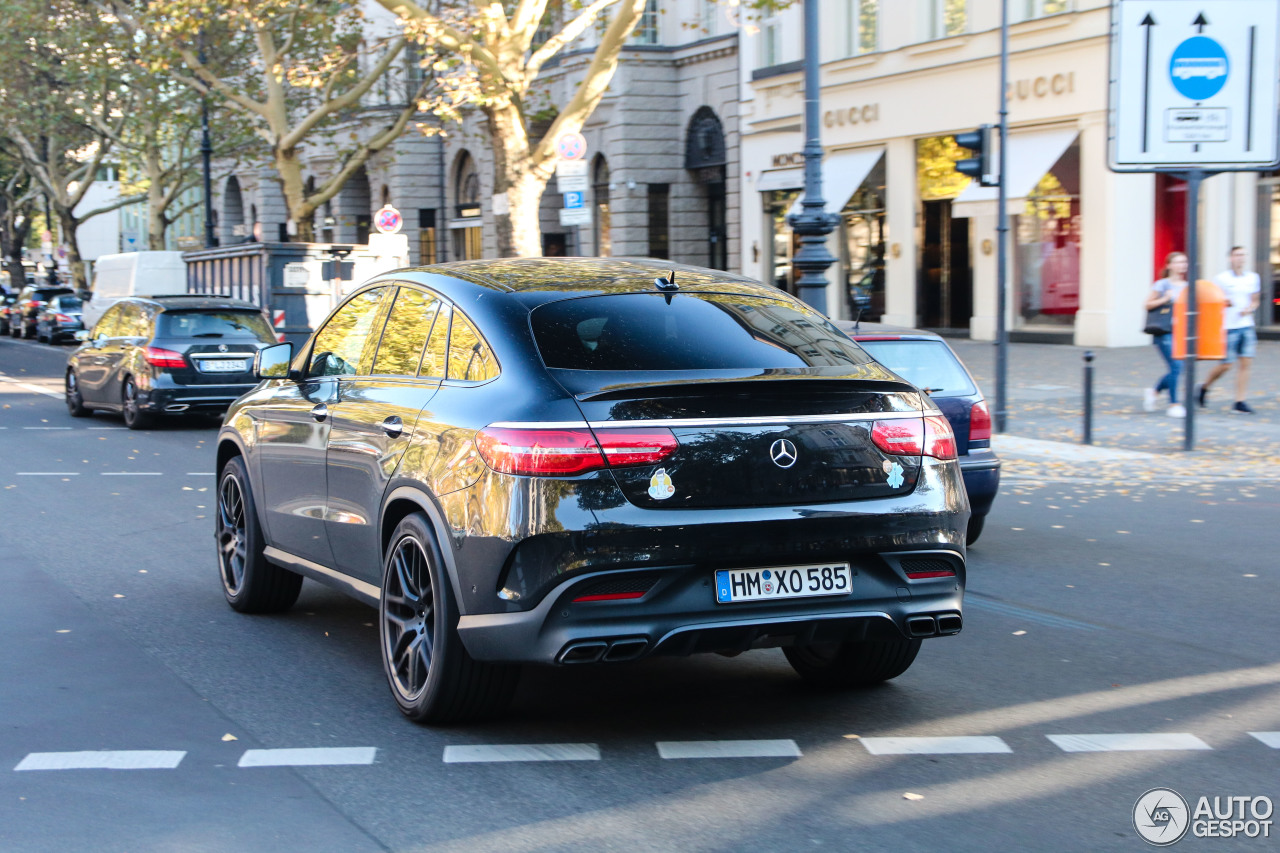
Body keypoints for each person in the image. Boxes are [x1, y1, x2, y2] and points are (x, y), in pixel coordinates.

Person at [1198, 245, 1261, 414]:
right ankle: (1204, 387)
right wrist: (1225, 302)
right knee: (1226, 365)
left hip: (1246, 325)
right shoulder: (1221, 279)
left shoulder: (1253, 278)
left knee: (1246, 363)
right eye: (1237, 255)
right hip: (1228, 327)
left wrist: (1250, 308)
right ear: (1230, 258)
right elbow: (1212, 300)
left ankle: (1240, 401)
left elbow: (1255, 300)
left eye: (1243, 255)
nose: (1240, 258)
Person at [1144, 252, 1187, 418]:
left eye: (1184, 262)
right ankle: (1174, 404)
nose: (1182, 265)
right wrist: (1165, 299)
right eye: (1177, 262)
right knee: (1177, 367)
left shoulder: (1187, 286)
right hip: (1164, 331)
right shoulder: (1162, 285)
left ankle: (1154, 392)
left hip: (1181, 332)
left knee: (1176, 368)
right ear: (1169, 265)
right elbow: (1147, 305)